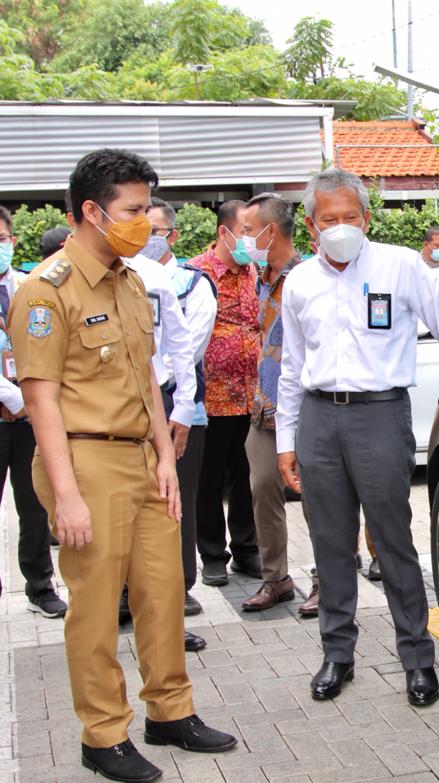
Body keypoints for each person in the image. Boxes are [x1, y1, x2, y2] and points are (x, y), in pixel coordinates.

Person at [9, 148, 236, 783]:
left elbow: (146, 380)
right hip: (84, 461)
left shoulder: (132, 281)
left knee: (164, 594)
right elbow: (41, 402)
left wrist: (165, 457)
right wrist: (67, 494)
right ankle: (103, 735)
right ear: (91, 211)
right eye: (133, 211)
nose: (145, 224)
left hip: (143, 458)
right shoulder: (44, 291)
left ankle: (170, 712)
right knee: (97, 604)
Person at [276, 168, 439, 706]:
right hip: (318, 420)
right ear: (312, 227)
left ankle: (417, 659)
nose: (341, 227)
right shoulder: (300, 282)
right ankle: (337, 655)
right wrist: (284, 441)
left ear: (366, 218)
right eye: (328, 219)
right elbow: (291, 367)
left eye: (350, 217)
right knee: (330, 544)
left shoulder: (401, 266)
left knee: (393, 543)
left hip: (380, 417)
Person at [140, 198, 217, 620]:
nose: (146, 238)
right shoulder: (126, 274)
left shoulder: (193, 283)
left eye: (154, 231)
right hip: (134, 399)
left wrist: (164, 385)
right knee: (139, 495)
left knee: (178, 496)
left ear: (172, 235)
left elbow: (190, 346)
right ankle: (133, 587)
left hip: (179, 400)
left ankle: (181, 584)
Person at [189, 201, 262, 587]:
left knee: (248, 475)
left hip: (252, 395)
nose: (251, 240)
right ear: (224, 232)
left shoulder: (256, 272)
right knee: (210, 477)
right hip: (212, 396)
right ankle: (213, 553)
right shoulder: (196, 274)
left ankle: (247, 550)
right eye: (246, 231)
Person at [0, 206, 67, 617]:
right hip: (17, 404)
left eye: (3, 238)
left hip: (28, 419)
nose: (0, 246)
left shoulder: (29, 288)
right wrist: (14, 397)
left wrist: (28, 402)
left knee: (35, 504)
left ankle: (40, 586)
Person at [239, 193, 303, 611]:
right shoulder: (262, 275)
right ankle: (275, 578)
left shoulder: (308, 276)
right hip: (265, 406)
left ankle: (325, 580)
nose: (243, 239)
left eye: (248, 230)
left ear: (271, 231)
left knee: (314, 493)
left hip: (303, 407)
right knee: (263, 486)